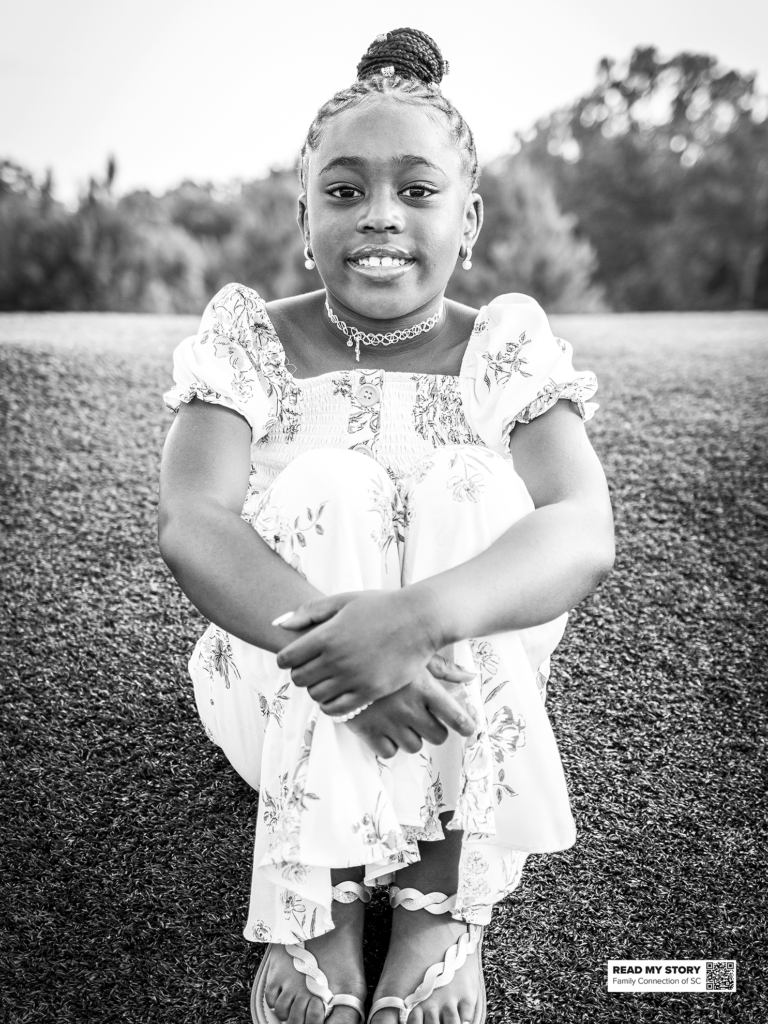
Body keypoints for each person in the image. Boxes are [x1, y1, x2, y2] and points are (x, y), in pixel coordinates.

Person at [158, 26, 614, 1024]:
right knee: (334, 480)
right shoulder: (250, 337)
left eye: (416, 190)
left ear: (471, 216)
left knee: (466, 481)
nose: (379, 216)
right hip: (285, 678)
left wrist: (408, 627)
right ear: (303, 214)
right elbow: (194, 520)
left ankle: (435, 912)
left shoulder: (501, 344)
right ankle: (312, 910)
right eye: (345, 190)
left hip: (455, 673)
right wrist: (350, 653)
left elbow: (581, 524)